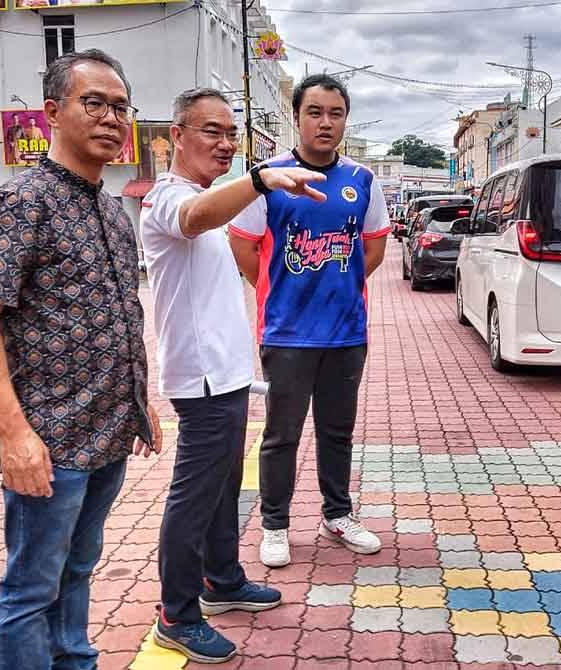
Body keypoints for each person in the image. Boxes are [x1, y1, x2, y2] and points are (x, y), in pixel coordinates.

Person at [0, 49, 163, 670]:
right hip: (48, 443)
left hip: (105, 437)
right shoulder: (23, 201)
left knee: (77, 569)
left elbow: (117, 312)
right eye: (93, 102)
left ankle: (75, 661)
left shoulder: (109, 209)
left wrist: (139, 404)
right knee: (30, 589)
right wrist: (13, 434)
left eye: (120, 106)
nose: (110, 117)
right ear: (52, 113)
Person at [141, 87, 326, 664]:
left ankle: (222, 580)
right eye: (210, 132)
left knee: (224, 488)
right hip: (198, 381)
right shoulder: (169, 200)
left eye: (231, 135)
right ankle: (177, 612)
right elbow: (194, 219)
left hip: (226, 376)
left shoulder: (206, 200)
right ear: (176, 135)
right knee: (193, 497)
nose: (224, 144)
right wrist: (262, 177)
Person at [228, 74, 391, 568]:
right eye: (314, 112)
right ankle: (275, 524)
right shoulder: (269, 177)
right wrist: (284, 289)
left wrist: (334, 286)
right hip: (286, 332)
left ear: (345, 119)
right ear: (296, 118)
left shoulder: (362, 180)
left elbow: (375, 246)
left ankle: (337, 515)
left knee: (338, 431)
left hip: (346, 332)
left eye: (335, 113)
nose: (325, 122)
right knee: (282, 434)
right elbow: (242, 246)